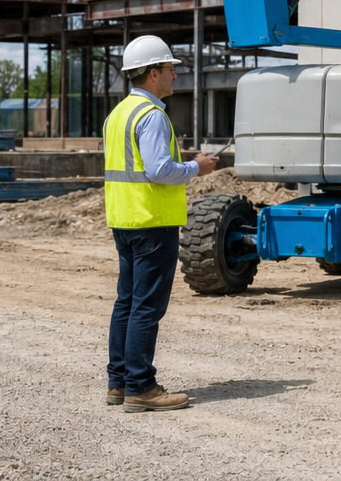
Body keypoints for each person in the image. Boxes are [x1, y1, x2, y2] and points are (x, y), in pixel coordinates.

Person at [104, 34, 216, 412]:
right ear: (153, 73)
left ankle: (119, 382)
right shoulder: (152, 116)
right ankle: (141, 387)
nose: (175, 75)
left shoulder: (118, 114)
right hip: (152, 222)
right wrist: (196, 167)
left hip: (125, 220)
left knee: (127, 303)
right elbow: (159, 170)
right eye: (170, 68)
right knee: (146, 308)